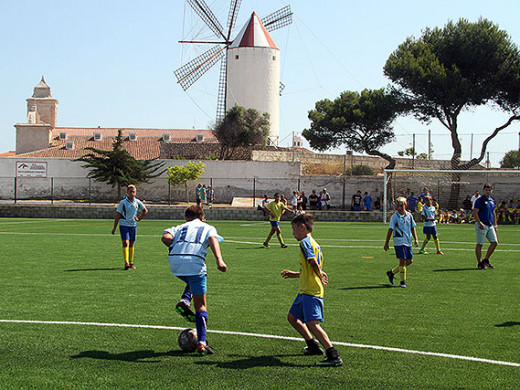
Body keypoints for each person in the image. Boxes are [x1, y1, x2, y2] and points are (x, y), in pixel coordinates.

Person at [162, 205, 227, 355]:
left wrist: (175, 247)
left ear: (187, 217)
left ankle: (185, 300)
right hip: (194, 263)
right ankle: (202, 343)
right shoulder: (208, 227)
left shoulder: (181, 226)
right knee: (201, 305)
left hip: (175, 264)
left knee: (192, 280)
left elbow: (165, 237)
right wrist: (219, 260)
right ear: (203, 217)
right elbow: (212, 239)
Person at [281, 213, 343, 367]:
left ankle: (333, 355)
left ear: (302, 227)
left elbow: (312, 261)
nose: (293, 233)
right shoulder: (313, 243)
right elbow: (310, 267)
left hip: (311, 291)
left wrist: (319, 273)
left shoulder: (305, 243)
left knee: (312, 323)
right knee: (292, 318)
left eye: (294, 229)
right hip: (304, 290)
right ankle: (313, 345)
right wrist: (295, 274)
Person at [384, 197, 419, 288]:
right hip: (399, 242)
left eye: (401, 205)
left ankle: (391, 272)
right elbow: (390, 229)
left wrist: (416, 239)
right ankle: (402, 282)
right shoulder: (394, 217)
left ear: (405, 205)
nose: (399, 207)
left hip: (408, 241)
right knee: (402, 261)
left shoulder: (409, 216)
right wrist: (386, 242)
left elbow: (413, 227)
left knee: (409, 261)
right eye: (398, 205)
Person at [111, 185, 148, 270]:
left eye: (133, 192)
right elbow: (117, 216)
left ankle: (131, 262)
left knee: (131, 243)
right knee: (125, 243)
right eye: (130, 192)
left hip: (133, 226)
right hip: (124, 225)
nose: (132, 193)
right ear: (127, 193)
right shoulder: (123, 203)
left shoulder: (137, 202)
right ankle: (126, 262)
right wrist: (114, 228)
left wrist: (139, 218)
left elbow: (145, 211)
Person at [472, 183, 498, 270]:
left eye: (489, 190)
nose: (488, 191)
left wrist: (495, 224)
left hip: (490, 225)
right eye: (486, 190)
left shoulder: (492, 200)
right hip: (482, 225)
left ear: (492, 191)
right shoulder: (480, 200)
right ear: (483, 190)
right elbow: (475, 212)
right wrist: (480, 223)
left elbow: (493, 212)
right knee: (480, 244)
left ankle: (486, 260)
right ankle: (479, 263)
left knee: (494, 242)